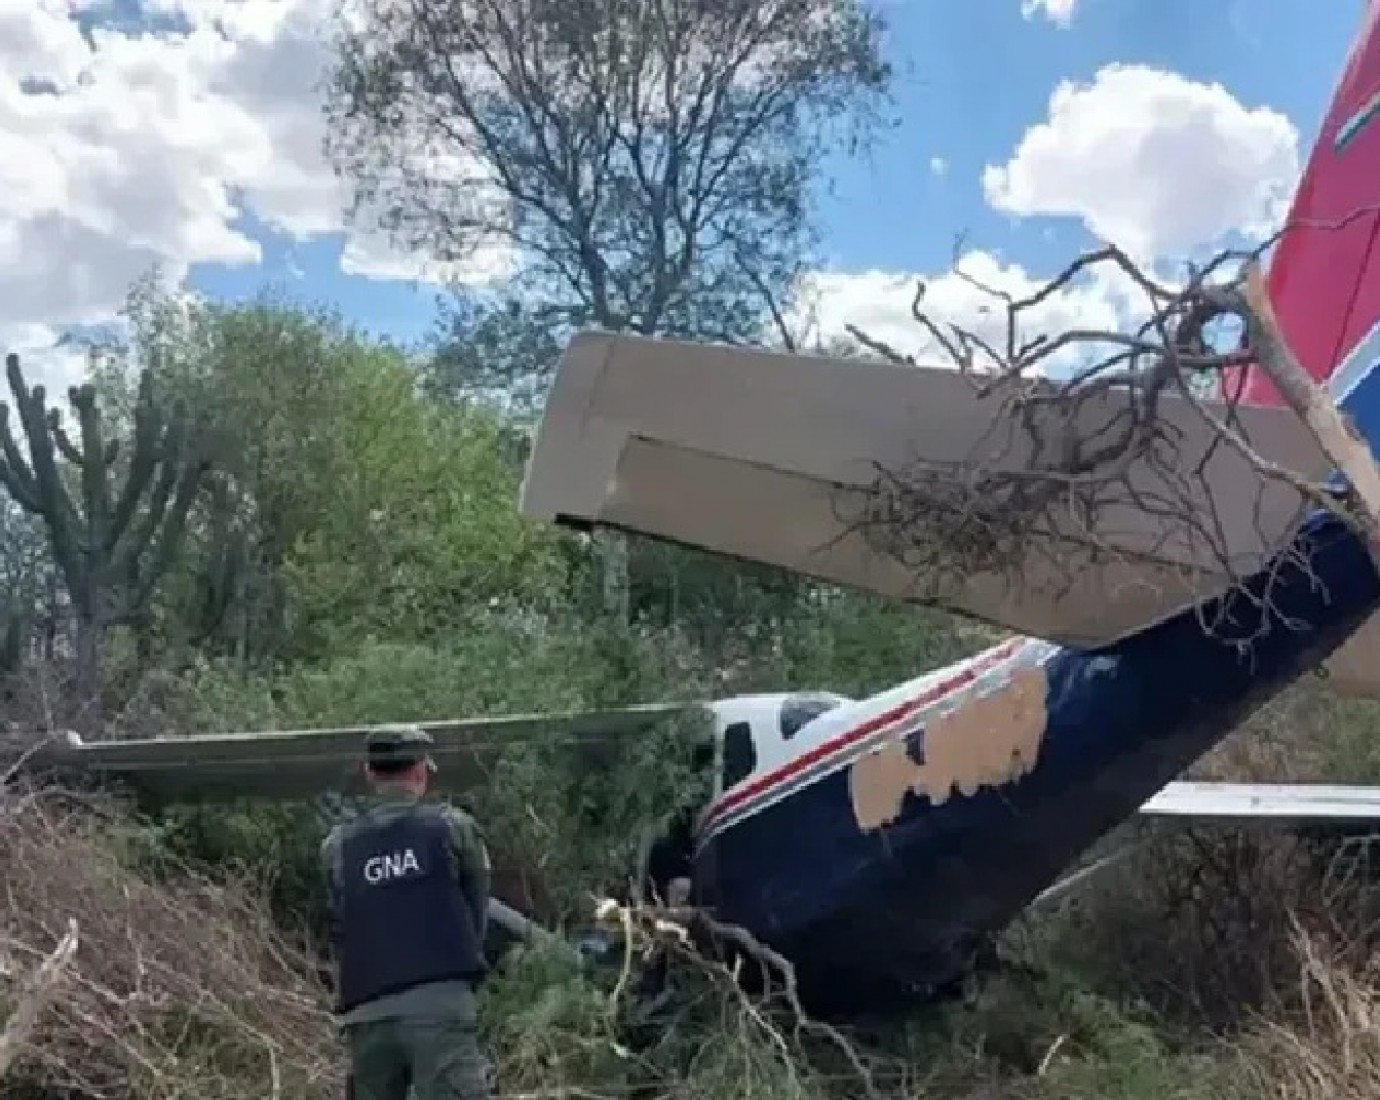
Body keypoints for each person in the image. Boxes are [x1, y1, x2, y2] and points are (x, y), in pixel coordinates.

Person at [321, 723, 492, 1100]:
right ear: (421, 770)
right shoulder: (453, 828)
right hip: (440, 1006)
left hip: (367, 1013)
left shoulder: (337, 847)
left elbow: (340, 922)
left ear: (369, 772)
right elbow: (477, 909)